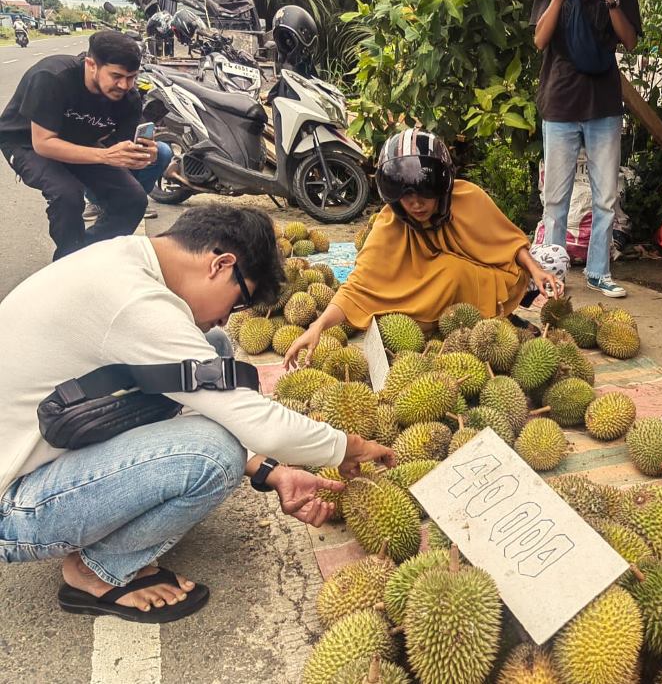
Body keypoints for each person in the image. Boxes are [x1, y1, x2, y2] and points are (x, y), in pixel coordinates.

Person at [0, 205, 394, 623]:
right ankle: (97, 570)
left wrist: (272, 473)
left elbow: (202, 393)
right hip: (15, 505)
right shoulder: (133, 304)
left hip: (45, 444)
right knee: (214, 454)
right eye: (238, 301)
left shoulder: (128, 260)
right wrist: (349, 446)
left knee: (216, 347)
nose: (227, 315)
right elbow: (260, 424)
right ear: (221, 264)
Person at [282, 129, 568, 362]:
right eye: (406, 197)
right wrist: (318, 325)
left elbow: (505, 243)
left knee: (554, 258)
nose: (416, 204)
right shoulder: (388, 225)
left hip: (487, 276)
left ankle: (506, 311)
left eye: (425, 195)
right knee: (447, 273)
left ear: (442, 189)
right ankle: (471, 324)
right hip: (426, 299)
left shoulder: (468, 198)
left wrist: (536, 270)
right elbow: (358, 287)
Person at [0, 31, 160, 261]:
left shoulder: (129, 97)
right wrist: (105, 155)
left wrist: (145, 154)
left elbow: (124, 149)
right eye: (116, 76)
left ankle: (87, 256)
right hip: (26, 143)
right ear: (91, 64)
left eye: (132, 76)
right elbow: (43, 144)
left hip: (81, 142)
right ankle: (66, 261)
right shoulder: (52, 77)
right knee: (67, 194)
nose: (124, 85)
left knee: (133, 199)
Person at [532, 0, 642, 299]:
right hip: (560, 103)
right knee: (555, 200)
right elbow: (540, 40)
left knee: (605, 198)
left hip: (604, 104)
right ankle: (553, 276)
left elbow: (629, 41)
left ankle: (598, 272)